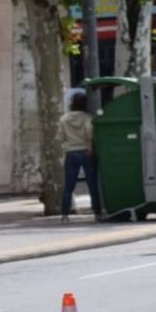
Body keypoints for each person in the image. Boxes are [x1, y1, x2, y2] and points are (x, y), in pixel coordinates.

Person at [59, 91, 101, 221]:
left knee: (69, 185)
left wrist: (68, 145)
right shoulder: (87, 118)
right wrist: (90, 147)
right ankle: (97, 212)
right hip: (86, 151)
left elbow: (60, 137)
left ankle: (65, 215)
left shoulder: (64, 119)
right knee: (92, 184)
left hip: (71, 152)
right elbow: (90, 133)